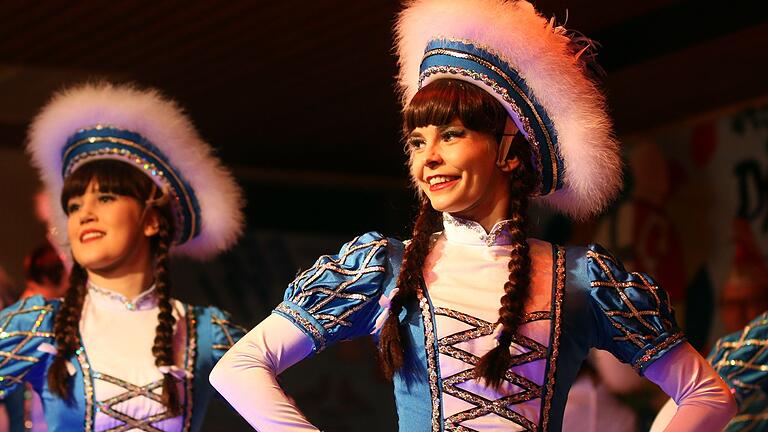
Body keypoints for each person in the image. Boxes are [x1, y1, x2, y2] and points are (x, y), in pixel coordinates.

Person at [210, 0, 736, 430]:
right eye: (417, 141)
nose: (427, 158)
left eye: (452, 135)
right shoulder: (383, 268)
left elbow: (708, 395)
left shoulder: (581, 280)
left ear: (508, 149)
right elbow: (239, 367)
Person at [0, 82, 246, 431]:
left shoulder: (206, 332)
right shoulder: (40, 324)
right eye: (73, 206)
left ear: (151, 220)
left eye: (105, 198)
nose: (84, 213)